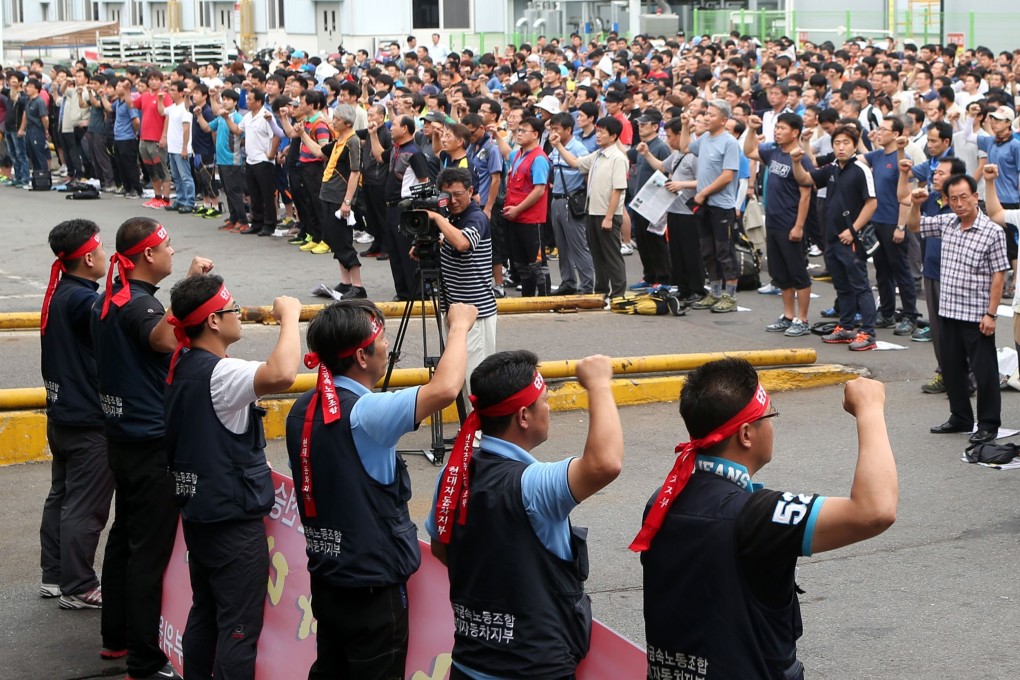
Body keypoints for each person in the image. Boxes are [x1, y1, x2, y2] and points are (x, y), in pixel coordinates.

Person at [634, 358, 897, 679]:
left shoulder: (662, 500)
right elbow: (874, 511)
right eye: (770, 415)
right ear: (747, 434)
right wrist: (870, 410)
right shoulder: (754, 516)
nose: (773, 425)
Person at [285, 299, 478, 679]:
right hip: (372, 589)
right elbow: (445, 389)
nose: (388, 346)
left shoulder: (302, 407)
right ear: (361, 355)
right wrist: (459, 326)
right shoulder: (366, 414)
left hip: (328, 576)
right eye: (383, 338)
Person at [426, 351, 624, 679]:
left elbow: (440, 547)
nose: (548, 409)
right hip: (532, 669)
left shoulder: (453, 474)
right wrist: (600, 384)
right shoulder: (531, 486)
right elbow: (604, 463)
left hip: (467, 664)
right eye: (544, 401)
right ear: (523, 416)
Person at [92, 216, 212, 680]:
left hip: (121, 439)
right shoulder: (135, 306)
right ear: (147, 255)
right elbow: (162, 335)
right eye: (167, 248)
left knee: (125, 539)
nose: (172, 253)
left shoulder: (112, 298)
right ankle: (145, 659)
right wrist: (193, 293)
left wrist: (184, 288)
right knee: (148, 552)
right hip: (149, 445)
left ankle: (116, 637)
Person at [164, 275, 301, 680]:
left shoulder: (183, 364)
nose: (238, 315)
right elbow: (282, 374)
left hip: (200, 512)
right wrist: (290, 316)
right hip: (232, 524)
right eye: (232, 310)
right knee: (239, 630)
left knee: (205, 612)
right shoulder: (220, 375)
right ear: (212, 322)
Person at [39, 219, 114, 610]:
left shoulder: (60, 292)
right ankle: (79, 585)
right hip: (87, 419)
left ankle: (54, 575)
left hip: (61, 414)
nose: (105, 257)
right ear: (88, 258)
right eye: (101, 251)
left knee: (62, 496)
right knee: (85, 505)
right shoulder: (83, 301)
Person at [907, 173, 1008, 444]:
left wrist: (991, 313)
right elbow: (914, 226)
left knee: (984, 373)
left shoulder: (992, 231)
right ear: (947, 201)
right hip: (948, 311)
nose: (960, 203)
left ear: (976, 197)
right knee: (951, 369)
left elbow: (999, 274)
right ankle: (960, 417)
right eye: (953, 198)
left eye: (965, 197)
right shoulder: (947, 222)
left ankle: (988, 424)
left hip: (977, 316)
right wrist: (915, 204)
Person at [791, 125, 878, 351]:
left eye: (846, 143)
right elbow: (805, 179)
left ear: (854, 144)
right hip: (831, 237)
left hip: (850, 239)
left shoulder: (860, 169)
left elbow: (872, 203)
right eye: (837, 143)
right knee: (842, 285)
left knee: (860, 285)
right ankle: (846, 327)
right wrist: (797, 161)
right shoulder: (831, 168)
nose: (841, 147)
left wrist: (854, 230)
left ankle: (868, 333)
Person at [422, 167, 498, 386]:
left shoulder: (477, 217)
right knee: (458, 378)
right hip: (454, 312)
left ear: (470, 191)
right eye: (448, 196)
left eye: (458, 194)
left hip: (476, 314)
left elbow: (463, 243)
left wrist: (436, 218)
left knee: (475, 379)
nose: (453, 200)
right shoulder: (451, 219)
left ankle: (480, 421)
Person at [745, 112, 814, 336]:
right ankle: (788, 316)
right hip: (773, 221)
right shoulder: (772, 150)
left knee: (798, 273)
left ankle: (802, 319)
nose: (778, 131)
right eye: (777, 127)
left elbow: (805, 195)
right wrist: (752, 130)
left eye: (783, 128)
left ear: (795, 132)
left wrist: (799, 226)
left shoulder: (800, 158)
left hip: (790, 222)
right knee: (780, 273)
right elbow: (749, 151)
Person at [549, 116, 630, 298]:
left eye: (602, 132)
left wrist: (609, 217)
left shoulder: (617, 157)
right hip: (593, 211)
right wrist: (558, 146)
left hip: (607, 213)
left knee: (611, 255)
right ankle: (601, 292)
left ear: (614, 135)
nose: (598, 135)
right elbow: (576, 163)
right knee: (597, 255)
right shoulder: (597, 155)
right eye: (598, 131)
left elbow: (618, 190)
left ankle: (618, 294)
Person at [679, 101, 743, 313]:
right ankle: (714, 292)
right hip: (704, 204)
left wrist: (703, 192)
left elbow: (727, 176)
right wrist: (685, 127)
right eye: (706, 113)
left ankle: (730, 295)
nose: (706, 118)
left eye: (712, 115)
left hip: (721, 205)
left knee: (724, 251)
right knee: (708, 250)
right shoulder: (705, 138)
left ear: (724, 120)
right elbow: (684, 147)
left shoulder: (730, 143)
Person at [545, 111, 595, 295]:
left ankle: (587, 285)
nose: (553, 133)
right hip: (556, 199)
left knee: (578, 246)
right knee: (562, 246)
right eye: (551, 129)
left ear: (568, 129)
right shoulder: (555, 147)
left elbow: (586, 173)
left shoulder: (578, 148)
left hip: (572, 201)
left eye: (557, 129)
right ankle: (568, 282)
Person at [501, 116, 551, 297]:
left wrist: (517, 209)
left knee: (536, 264)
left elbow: (539, 190)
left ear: (535, 134)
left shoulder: (538, 158)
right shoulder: (520, 154)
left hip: (531, 219)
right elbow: (507, 153)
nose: (519, 134)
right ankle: (528, 300)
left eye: (523, 131)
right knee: (521, 264)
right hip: (515, 217)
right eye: (518, 131)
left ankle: (545, 301)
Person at [225, 88, 284, 236]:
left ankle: (269, 224)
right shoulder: (248, 116)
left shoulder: (266, 116)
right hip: (250, 160)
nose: (247, 101)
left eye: (250, 99)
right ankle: (257, 223)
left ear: (259, 102)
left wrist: (271, 153)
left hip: (263, 161)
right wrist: (227, 118)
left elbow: (276, 136)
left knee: (267, 195)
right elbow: (238, 131)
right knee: (254, 195)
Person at [163, 81, 196, 214]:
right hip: (172, 148)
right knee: (176, 177)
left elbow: (186, 129)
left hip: (181, 149)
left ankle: (190, 202)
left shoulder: (185, 108)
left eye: (173, 90)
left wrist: (184, 148)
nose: (170, 92)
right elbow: (161, 111)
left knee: (186, 177)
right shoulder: (173, 107)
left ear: (181, 93)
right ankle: (181, 200)